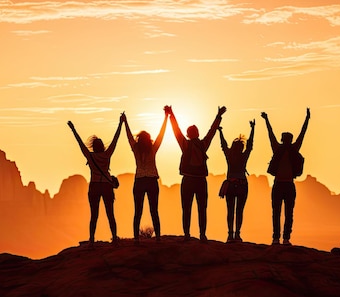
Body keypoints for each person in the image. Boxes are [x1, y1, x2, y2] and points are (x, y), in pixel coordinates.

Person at [166, 105, 226, 242]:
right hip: (200, 181)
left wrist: (171, 114)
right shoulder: (203, 145)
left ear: (188, 134)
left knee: (186, 208)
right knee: (202, 209)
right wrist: (218, 116)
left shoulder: (185, 144)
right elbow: (212, 132)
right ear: (197, 134)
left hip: (188, 180)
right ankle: (202, 235)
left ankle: (187, 235)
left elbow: (176, 131)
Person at [68, 115, 124, 246]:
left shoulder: (90, 156)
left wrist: (73, 129)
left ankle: (92, 240)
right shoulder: (107, 154)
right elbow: (115, 139)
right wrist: (120, 123)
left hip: (94, 186)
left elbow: (80, 144)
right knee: (110, 213)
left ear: (93, 147)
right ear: (102, 147)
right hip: (106, 186)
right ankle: (115, 238)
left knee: (94, 215)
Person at [261, 108, 310, 245]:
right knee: (286, 213)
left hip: (281, 184)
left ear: (283, 139)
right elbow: (302, 134)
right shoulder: (291, 149)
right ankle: (282, 238)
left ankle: (279, 238)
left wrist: (266, 120)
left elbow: (271, 135)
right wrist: (307, 119)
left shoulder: (279, 149)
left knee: (279, 213)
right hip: (286, 184)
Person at [122, 108, 169, 242]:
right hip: (152, 181)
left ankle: (136, 238)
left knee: (138, 211)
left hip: (139, 181)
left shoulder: (136, 149)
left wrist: (125, 122)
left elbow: (129, 136)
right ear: (149, 140)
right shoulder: (153, 148)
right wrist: (166, 118)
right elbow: (161, 135)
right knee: (154, 210)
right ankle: (158, 237)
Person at [218, 119, 255, 243]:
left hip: (230, 185)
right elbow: (250, 146)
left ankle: (230, 235)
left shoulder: (229, 155)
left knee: (230, 211)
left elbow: (223, 145)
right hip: (242, 185)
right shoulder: (243, 156)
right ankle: (237, 234)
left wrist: (220, 132)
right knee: (239, 211)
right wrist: (253, 129)